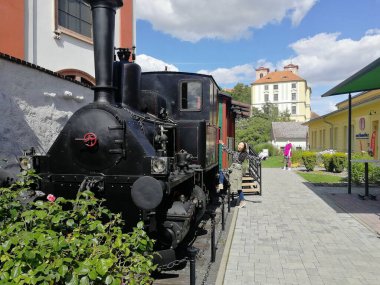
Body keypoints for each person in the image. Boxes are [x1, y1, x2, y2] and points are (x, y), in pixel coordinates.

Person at [219, 140, 249, 208]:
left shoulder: (244, 154)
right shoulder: (235, 153)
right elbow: (228, 150)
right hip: (232, 170)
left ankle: (242, 201)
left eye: (241, 145)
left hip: (237, 172)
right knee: (221, 172)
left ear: (244, 147)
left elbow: (252, 158)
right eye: (239, 144)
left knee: (238, 187)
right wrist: (223, 144)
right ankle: (221, 188)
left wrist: (260, 158)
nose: (239, 146)